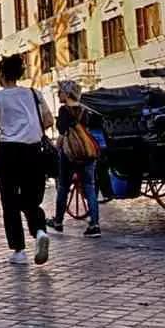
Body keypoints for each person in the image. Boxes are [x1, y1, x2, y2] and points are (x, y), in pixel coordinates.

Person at [0, 54, 54, 266]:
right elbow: (49, 120)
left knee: (10, 202)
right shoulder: (34, 94)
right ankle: (39, 231)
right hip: (34, 152)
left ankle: (19, 251)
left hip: (8, 153)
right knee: (32, 199)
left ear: (2, 74)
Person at [50, 80, 100, 237]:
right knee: (90, 187)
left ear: (67, 93)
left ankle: (58, 221)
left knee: (63, 187)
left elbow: (62, 132)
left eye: (60, 92)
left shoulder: (64, 111)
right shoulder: (85, 110)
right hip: (87, 152)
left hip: (70, 154)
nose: (58, 94)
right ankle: (95, 224)